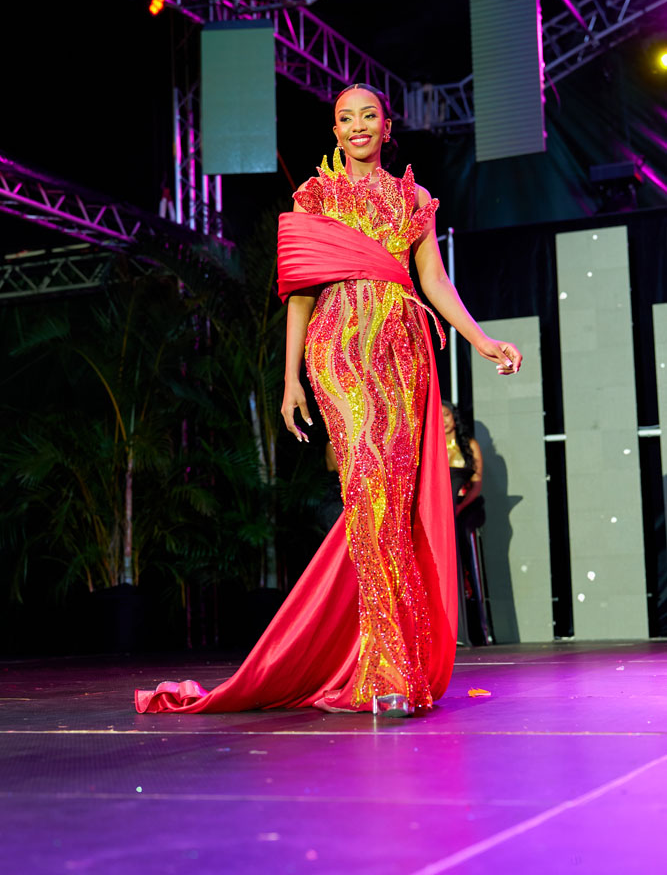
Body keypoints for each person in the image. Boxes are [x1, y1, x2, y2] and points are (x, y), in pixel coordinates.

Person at [135, 83, 521, 718]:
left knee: (392, 506)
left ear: (387, 127)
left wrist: (481, 340)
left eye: (369, 115)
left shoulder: (414, 199)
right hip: (339, 351)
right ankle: (387, 670)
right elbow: (300, 292)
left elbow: (432, 279)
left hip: (401, 353)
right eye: (346, 118)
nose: (358, 125)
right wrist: (290, 379)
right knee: (368, 492)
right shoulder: (315, 196)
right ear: (336, 131)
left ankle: (392, 660)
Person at [442, 401, 490, 646]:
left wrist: (458, 507)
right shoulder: (433, 446)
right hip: (444, 507)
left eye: (447, 415)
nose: (444, 420)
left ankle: (469, 601)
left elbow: (477, 485)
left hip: (466, 505)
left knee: (460, 531)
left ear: (454, 417)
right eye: (439, 416)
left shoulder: (469, 445)